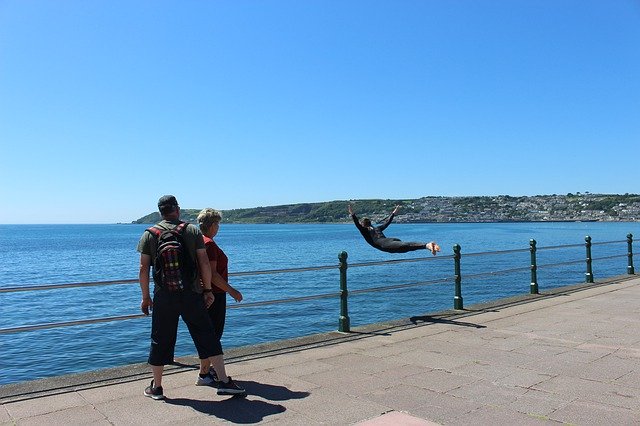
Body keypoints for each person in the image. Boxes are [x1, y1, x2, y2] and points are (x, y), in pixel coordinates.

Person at [137, 195, 246, 400]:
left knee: (160, 339)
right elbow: (204, 264)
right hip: (191, 294)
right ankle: (223, 381)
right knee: (206, 334)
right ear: (177, 209)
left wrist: (145, 298)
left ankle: (157, 388)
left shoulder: (150, 234)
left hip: (163, 295)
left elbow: (143, 268)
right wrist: (207, 291)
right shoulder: (191, 230)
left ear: (160, 211)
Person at [194, 208, 243, 384]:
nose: (219, 227)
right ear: (212, 225)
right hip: (214, 294)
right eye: (218, 224)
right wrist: (232, 290)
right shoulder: (210, 245)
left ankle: (205, 372)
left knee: (208, 334)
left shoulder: (199, 242)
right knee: (213, 335)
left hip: (203, 293)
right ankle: (204, 375)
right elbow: (213, 274)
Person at [348, 204, 441, 255]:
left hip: (386, 245)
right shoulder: (377, 228)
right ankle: (428, 246)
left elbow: (357, 223)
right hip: (391, 240)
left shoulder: (365, 231)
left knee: (405, 246)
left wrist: (352, 214)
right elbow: (387, 222)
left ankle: (427, 245)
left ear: (362, 224)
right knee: (406, 248)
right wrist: (393, 213)